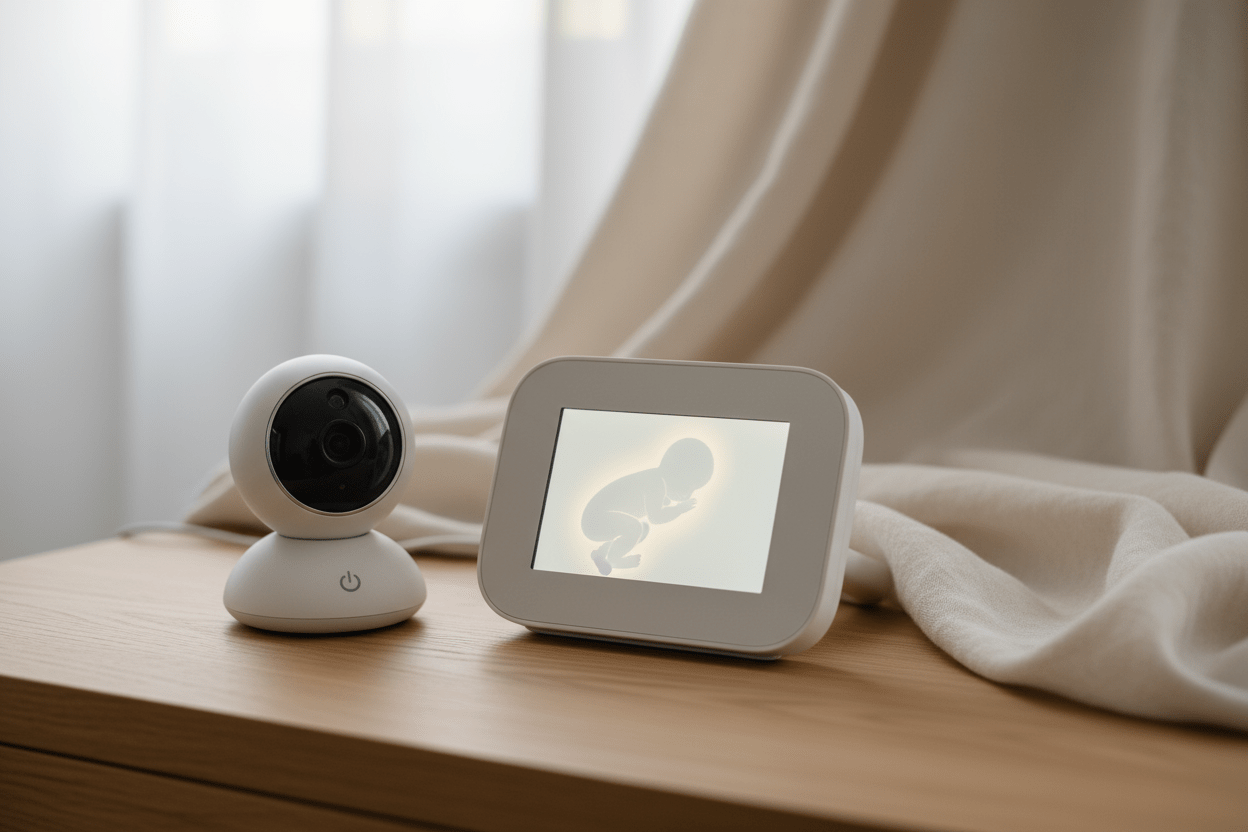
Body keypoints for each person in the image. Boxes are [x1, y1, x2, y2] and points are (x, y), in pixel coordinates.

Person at [581, 437, 713, 576]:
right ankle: (614, 559)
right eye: (689, 487)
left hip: (603, 522)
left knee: (642, 529)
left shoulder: (655, 482)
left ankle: (601, 553)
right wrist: (679, 509)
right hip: (595, 520)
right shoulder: (655, 483)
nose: (687, 495)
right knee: (636, 527)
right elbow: (656, 518)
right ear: (679, 476)